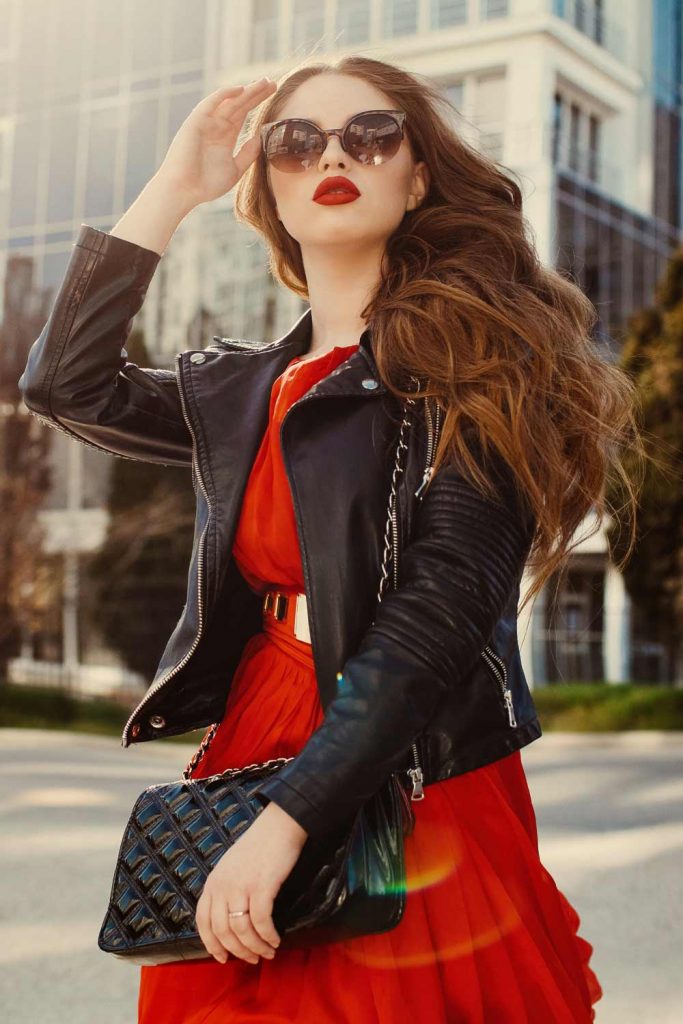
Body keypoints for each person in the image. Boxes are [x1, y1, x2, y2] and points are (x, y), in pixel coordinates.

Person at [19, 55, 644, 1022]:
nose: (333, 156)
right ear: (266, 186)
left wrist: (290, 821)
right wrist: (176, 185)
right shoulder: (244, 388)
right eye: (295, 142)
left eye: (371, 133)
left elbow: (440, 613)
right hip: (255, 733)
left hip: (403, 750)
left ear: (418, 174)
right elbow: (65, 385)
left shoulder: (478, 357)